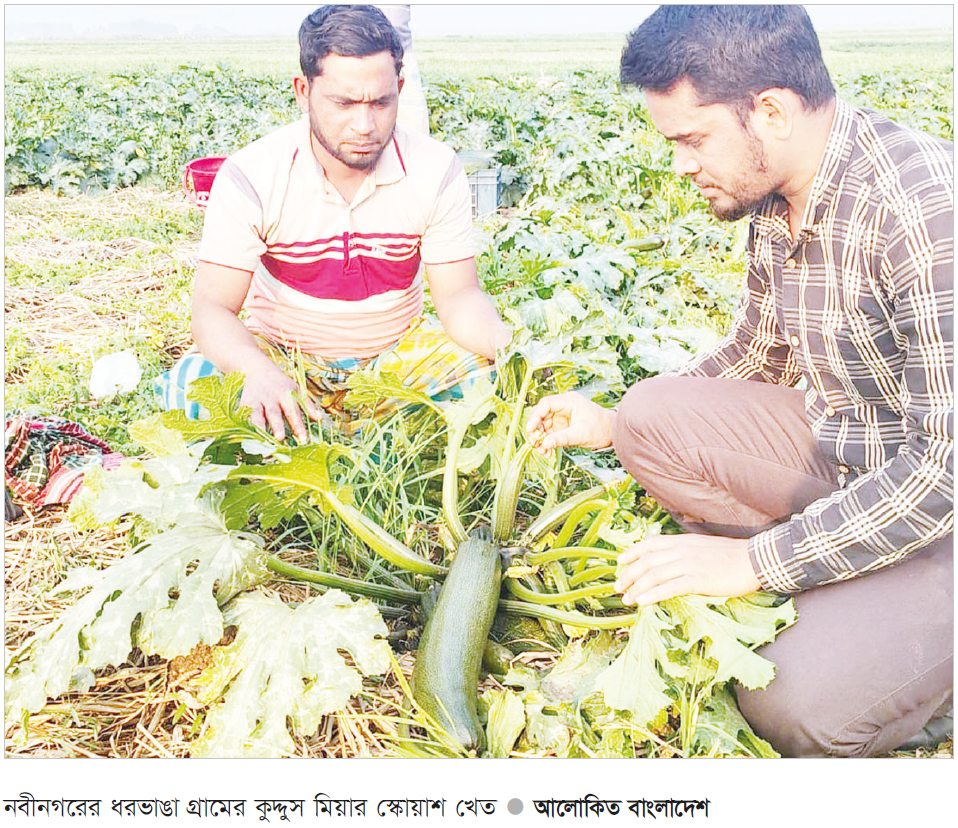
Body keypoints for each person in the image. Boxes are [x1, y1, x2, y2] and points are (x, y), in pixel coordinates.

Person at [526, 5, 953, 758]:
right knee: (648, 416)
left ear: (771, 111)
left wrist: (752, 563)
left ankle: (914, 648)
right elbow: (757, 353)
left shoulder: (922, 212)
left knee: (791, 706)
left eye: (692, 139)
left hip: (944, 508)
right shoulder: (777, 191)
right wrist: (609, 422)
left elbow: (946, 471)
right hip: (859, 458)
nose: (682, 165)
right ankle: (859, 590)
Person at [157, 5, 510, 440]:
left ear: (400, 88)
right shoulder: (253, 175)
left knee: (495, 380)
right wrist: (257, 370)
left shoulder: (436, 170)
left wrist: (506, 346)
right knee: (194, 384)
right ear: (303, 91)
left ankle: (347, 432)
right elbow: (211, 308)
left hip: (396, 360)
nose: (364, 125)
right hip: (284, 358)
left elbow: (458, 298)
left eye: (381, 102)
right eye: (343, 103)